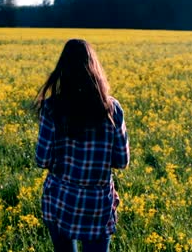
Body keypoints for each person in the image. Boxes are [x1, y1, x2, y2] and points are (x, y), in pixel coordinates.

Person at [34, 39, 130, 252]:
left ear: (62, 69)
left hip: (61, 199)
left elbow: (42, 159)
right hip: (97, 203)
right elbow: (122, 161)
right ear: (93, 67)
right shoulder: (111, 108)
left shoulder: (52, 107)